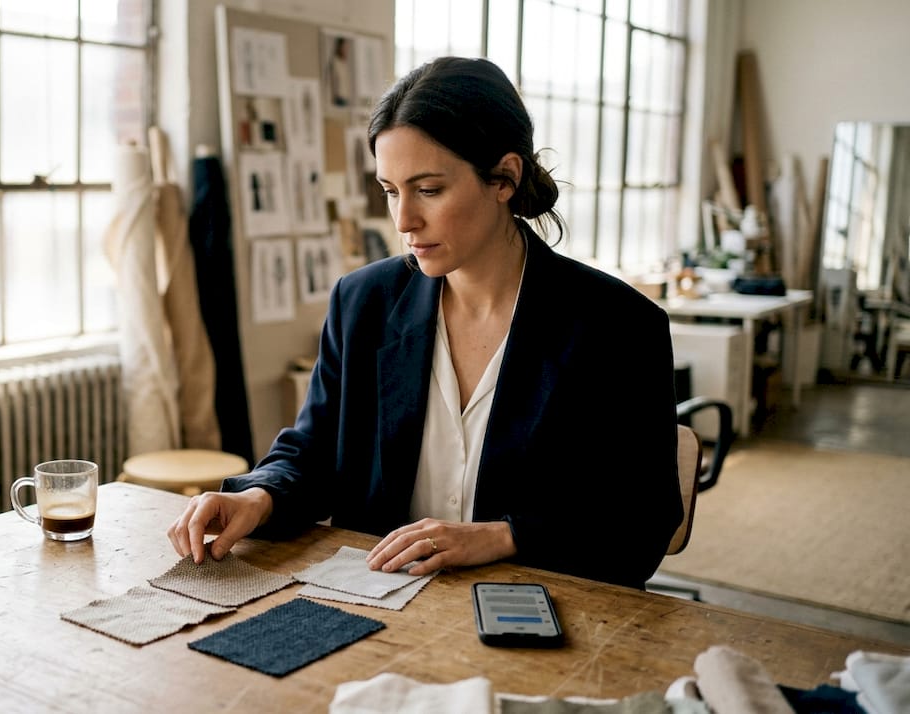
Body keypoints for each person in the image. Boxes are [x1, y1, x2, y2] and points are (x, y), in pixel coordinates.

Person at [167, 57, 681, 590]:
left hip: (536, 614)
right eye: (390, 190)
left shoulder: (618, 326)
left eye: (428, 190)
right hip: (376, 606)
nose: (403, 220)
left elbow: (641, 521)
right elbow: (312, 451)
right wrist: (258, 494)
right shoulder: (363, 301)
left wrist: (503, 535)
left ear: (505, 177)